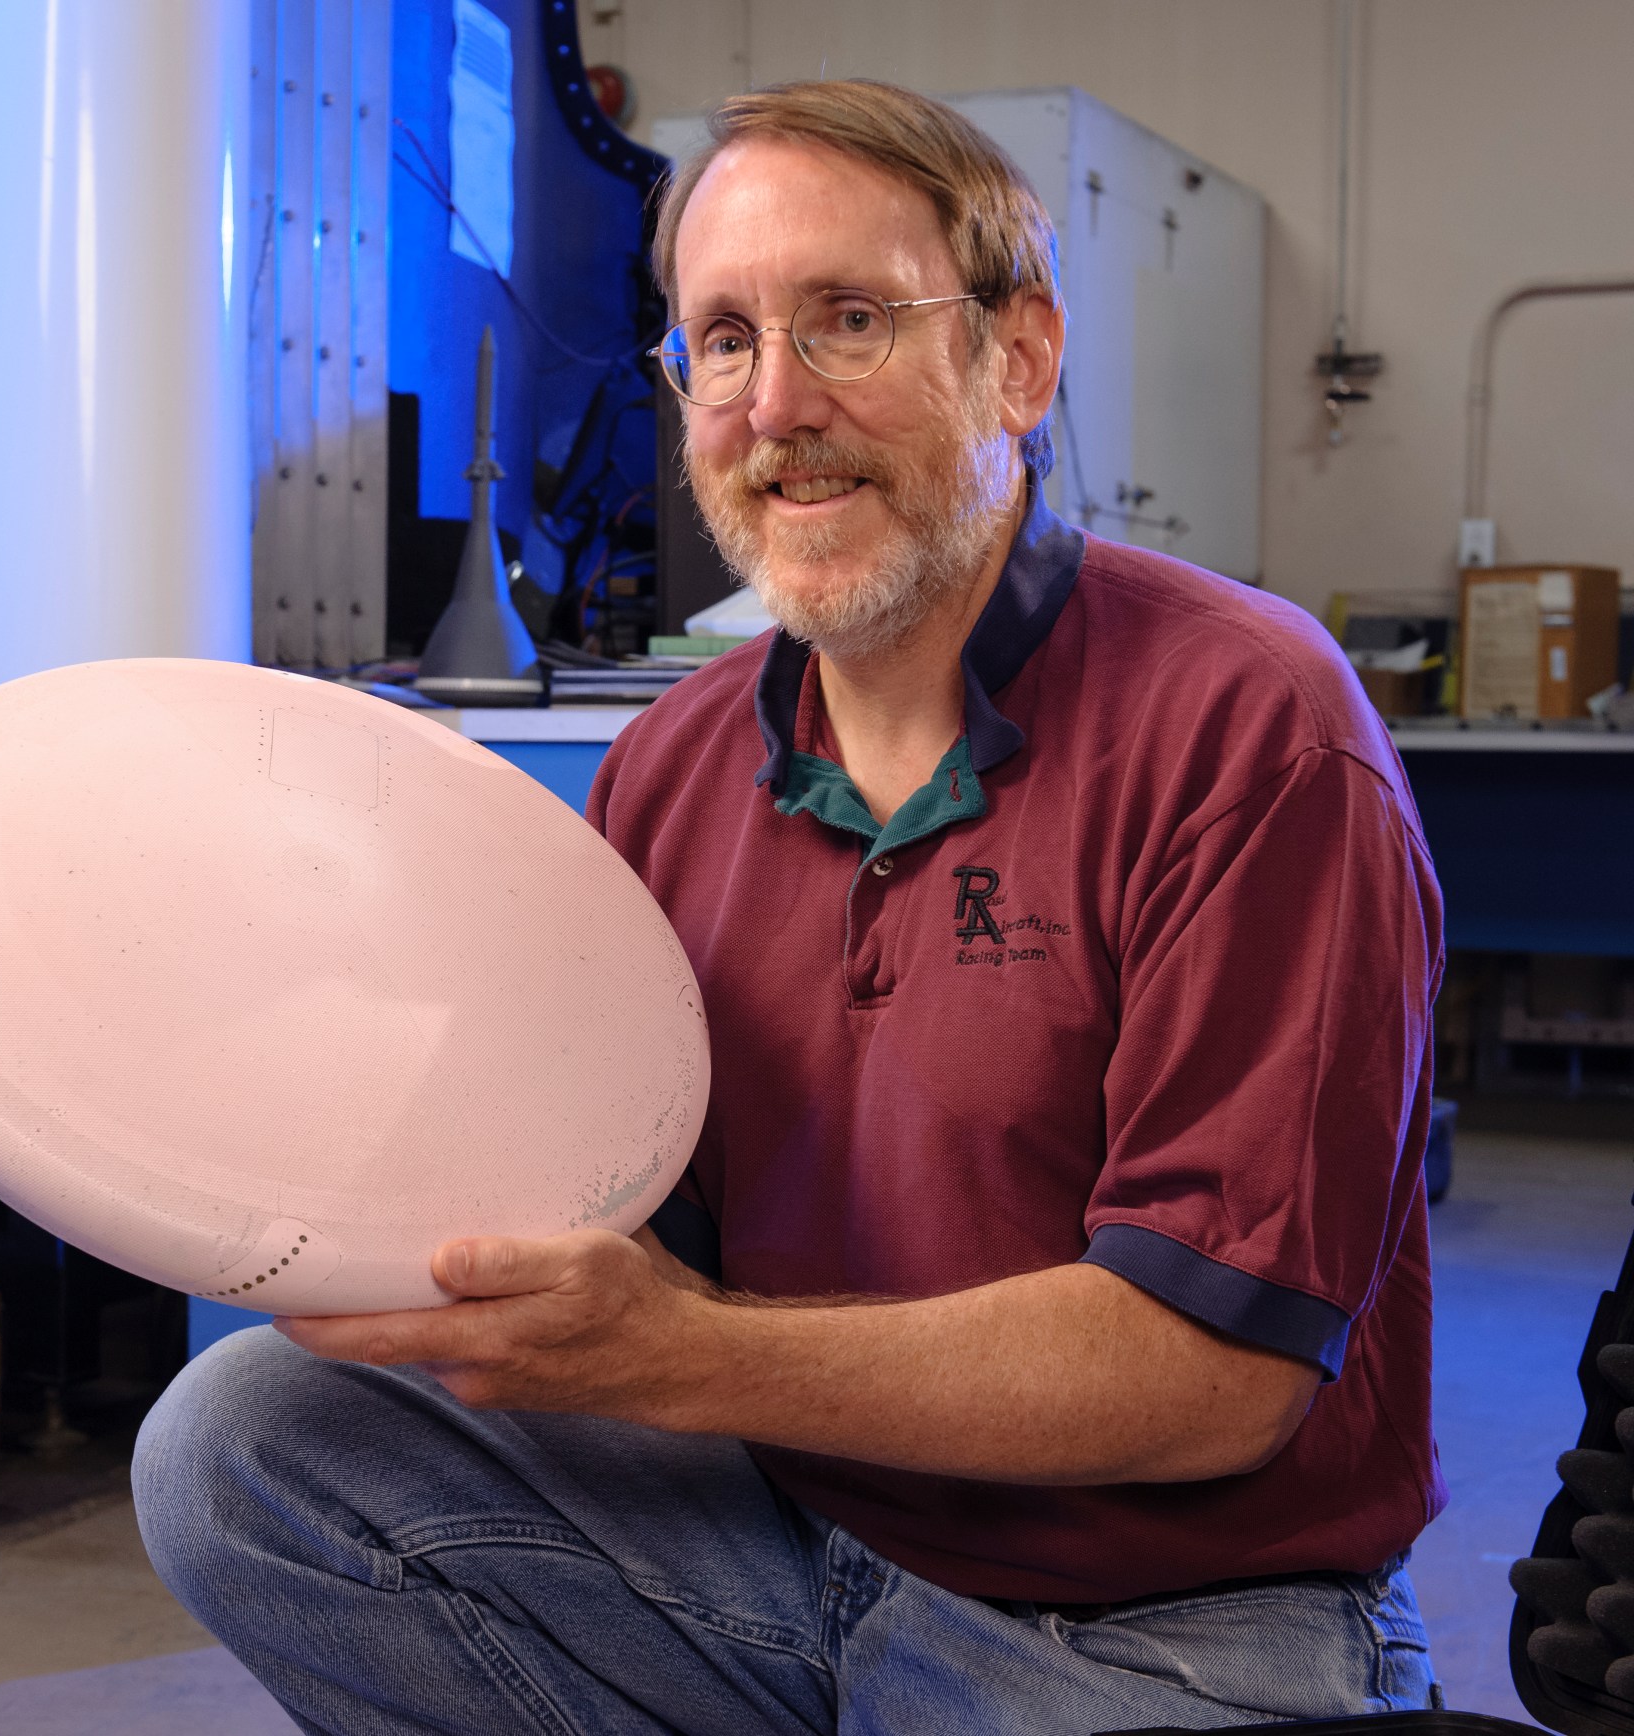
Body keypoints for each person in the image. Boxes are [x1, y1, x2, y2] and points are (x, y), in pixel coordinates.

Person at [134, 80, 1446, 1734]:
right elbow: (620, 1210)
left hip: (1160, 1621)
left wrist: (673, 1357)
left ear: (1017, 360)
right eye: (726, 341)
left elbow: (1213, 1379)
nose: (778, 404)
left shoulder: (1251, 729)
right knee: (247, 1437)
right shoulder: (673, 766)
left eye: (851, 321)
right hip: (796, 1543)